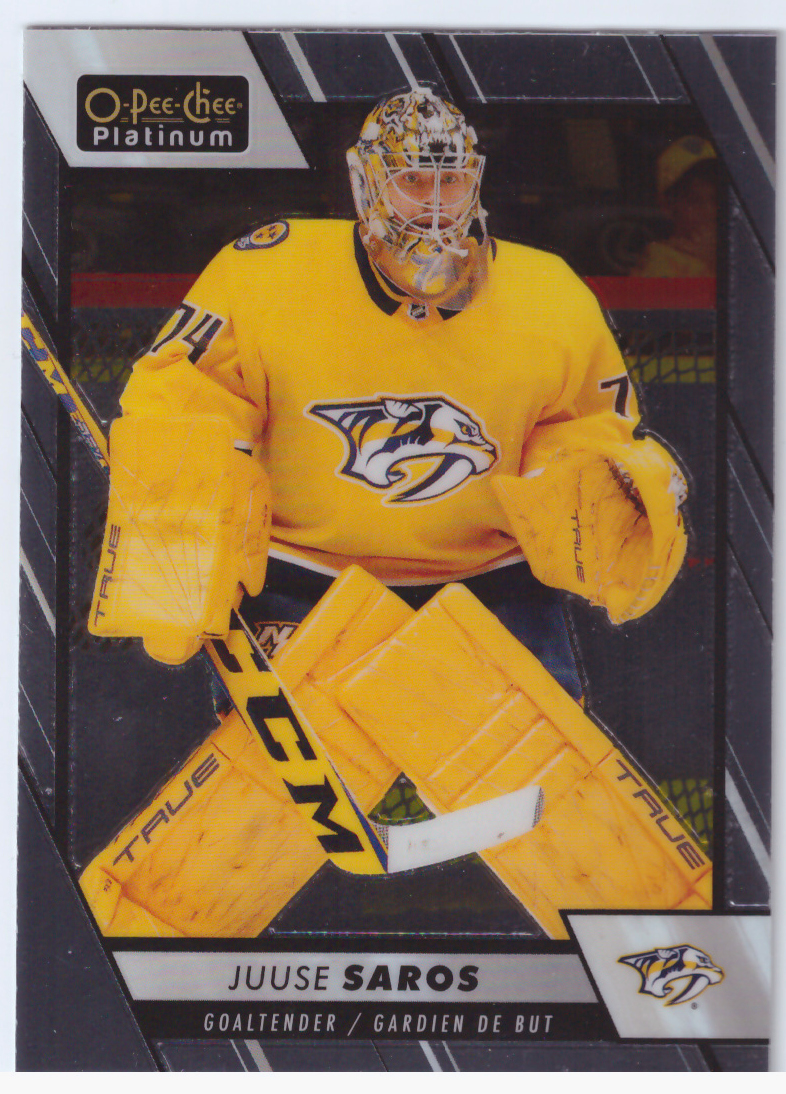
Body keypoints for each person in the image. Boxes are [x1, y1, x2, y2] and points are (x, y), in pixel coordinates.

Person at [82, 89, 695, 939]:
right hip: (309, 582)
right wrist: (180, 548)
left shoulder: (549, 291)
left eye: (452, 181)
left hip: (487, 583)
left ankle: (660, 965)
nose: (436, 203)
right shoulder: (268, 270)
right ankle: (139, 957)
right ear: (366, 181)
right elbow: (181, 400)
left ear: (478, 179)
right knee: (254, 812)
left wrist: (592, 487)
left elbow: (586, 427)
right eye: (414, 180)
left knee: (562, 811)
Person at [635, 135, 717, 277]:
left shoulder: (729, 250)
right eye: (695, 201)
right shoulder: (660, 259)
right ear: (668, 206)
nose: (710, 211)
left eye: (716, 200)